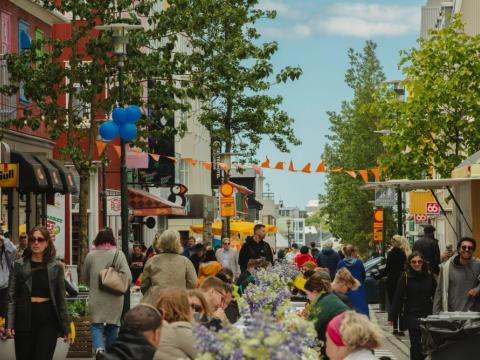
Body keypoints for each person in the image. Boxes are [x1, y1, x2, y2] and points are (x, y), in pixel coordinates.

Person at [6, 226, 70, 360]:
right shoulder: (18, 265)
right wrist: (9, 323)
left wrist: (66, 327)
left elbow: (61, 300)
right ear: (29, 242)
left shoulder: (56, 267)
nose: (36, 243)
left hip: (48, 320)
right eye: (33, 239)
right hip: (24, 318)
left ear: (47, 243)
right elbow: (11, 297)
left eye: (40, 239)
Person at [84, 228, 132, 357]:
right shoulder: (119, 254)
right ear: (112, 240)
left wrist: (93, 285)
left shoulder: (91, 256)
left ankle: (99, 350)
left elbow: (85, 277)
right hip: (115, 298)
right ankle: (111, 354)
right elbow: (128, 276)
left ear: (97, 240)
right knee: (113, 325)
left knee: (96, 324)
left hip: (96, 297)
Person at [389, 251, 436, 360]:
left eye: (419, 261)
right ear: (409, 263)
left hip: (427, 314)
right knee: (415, 345)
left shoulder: (429, 276)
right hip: (412, 314)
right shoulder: (405, 276)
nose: (417, 264)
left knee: (427, 345)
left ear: (423, 262)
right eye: (413, 262)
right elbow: (398, 297)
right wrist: (392, 316)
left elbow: (436, 294)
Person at [433, 237, 480, 313]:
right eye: (464, 247)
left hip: (472, 314)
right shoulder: (446, 267)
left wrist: (477, 289)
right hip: (452, 313)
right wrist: (435, 314)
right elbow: (439, 291)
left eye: (470, 248)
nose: (467, 249)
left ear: (473, 250)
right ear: (458, 249)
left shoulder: (477, 264)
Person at [151, 288, 197, 360]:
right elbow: (210, 354)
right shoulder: (179, 330)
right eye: (191, 305)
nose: (193, 309)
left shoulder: (157, 327)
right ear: (184, 308)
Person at [305, 273, 349, 343]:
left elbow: (308, 329)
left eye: (307, 294)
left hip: (344, 340)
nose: (307, 297)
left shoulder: (321, 303)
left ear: (314, 292)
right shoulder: (328, 296)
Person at [382, 235, 410, 335]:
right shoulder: (404, 253)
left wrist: (379, 275)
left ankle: (395, 329)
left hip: (392, 281)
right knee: (401, 305)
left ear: (393, 243)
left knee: (393, 305)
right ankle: (402, 329)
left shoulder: (390, 254)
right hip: (402, 280)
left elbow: (387, 269)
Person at [336, 245, 369, 317]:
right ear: (352, 252)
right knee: (361, 310)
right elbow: (363, 275)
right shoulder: (359, 263)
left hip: (345, 290)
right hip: (358, 289)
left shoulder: (340, 263)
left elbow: (337, 278)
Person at [0, 232, 16, 317]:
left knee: (4, 314)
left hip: (5, 287)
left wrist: (3, 239)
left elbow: (13, 249)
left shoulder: (6, 253)